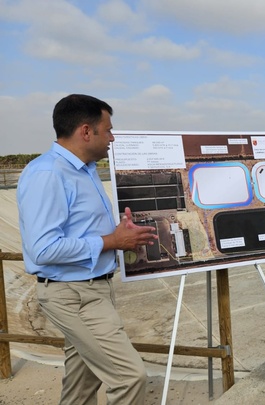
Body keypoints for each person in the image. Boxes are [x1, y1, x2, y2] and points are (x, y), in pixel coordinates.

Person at [17, 94, 158, 405]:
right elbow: (43, 249)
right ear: (85, 131)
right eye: (107, 129)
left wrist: (120, 232)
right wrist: (113, 241)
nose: (112, 136)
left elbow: (81, 230)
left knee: (81, 387)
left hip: (92, 289)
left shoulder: (85, 169)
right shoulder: (48, 174)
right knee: (129, 377)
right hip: (74, 296)